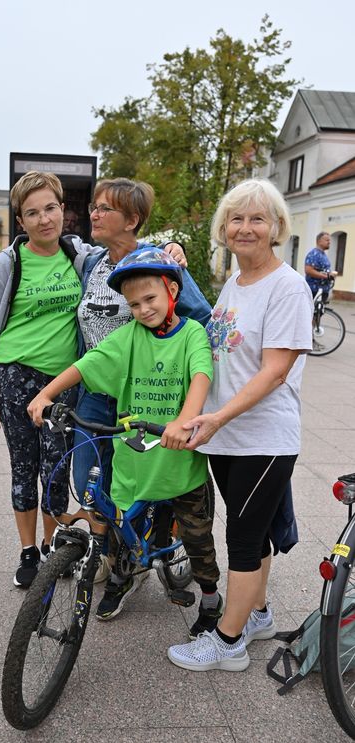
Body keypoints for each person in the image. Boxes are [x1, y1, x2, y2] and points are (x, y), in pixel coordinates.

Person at [167, 178, 313, 673]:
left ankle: (227, 641)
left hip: (262, 437)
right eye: (236, 218)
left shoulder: (288, 287)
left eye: (256, 219)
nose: (245, 228)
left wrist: (218, 416)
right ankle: (259, 614)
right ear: (223, 228)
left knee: (245, 540)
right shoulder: (236, 281)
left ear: (276, 227)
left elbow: (275, 371)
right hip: (226, 434)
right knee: (255, 531)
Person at [28, 247, 221, 623]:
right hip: (135, 458)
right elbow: (87, 364)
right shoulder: (130, 336)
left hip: (176, 459)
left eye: (150, 298)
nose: (143, 309)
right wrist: (46, 394)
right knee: (116, 524)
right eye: (134, 304)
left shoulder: (191, 333)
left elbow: (201, 374)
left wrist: (184, 420)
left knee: (197, 537)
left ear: (172, 292)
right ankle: (120, 575)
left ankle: (211, 597)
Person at [0, 171, 87, 588]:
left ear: (63, 210)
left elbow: (123, 255)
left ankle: (53, 547)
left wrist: (171, 247)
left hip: (63, 379)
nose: (44, 220)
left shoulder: (79, 255)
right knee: (25, 467)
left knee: (57, 467)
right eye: (32, 213)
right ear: (20, 221)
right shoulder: (5, 265)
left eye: (51, 209)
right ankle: (28, 552)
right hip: (15, 374)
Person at [74, 178, 212, 501]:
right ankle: (104, 550)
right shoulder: (93, 263)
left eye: (105, 209)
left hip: (143, 392)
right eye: (94, 207)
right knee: (88, 484)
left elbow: (201, 317)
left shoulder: (159, 261)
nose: (94, 215)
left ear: (132, 221)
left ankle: (143, 548)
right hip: (96, 392)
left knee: (140, 485)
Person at [304, 231, 337, 299]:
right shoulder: (313, 254)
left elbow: (322, 270)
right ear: (319, 241)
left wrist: (330, 275)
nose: (329, 242)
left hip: (323, 290)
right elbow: (308, 270)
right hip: (314, 291)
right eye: (327, 240)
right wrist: (326, 276)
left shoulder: (323, 254)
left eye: (329, 240)